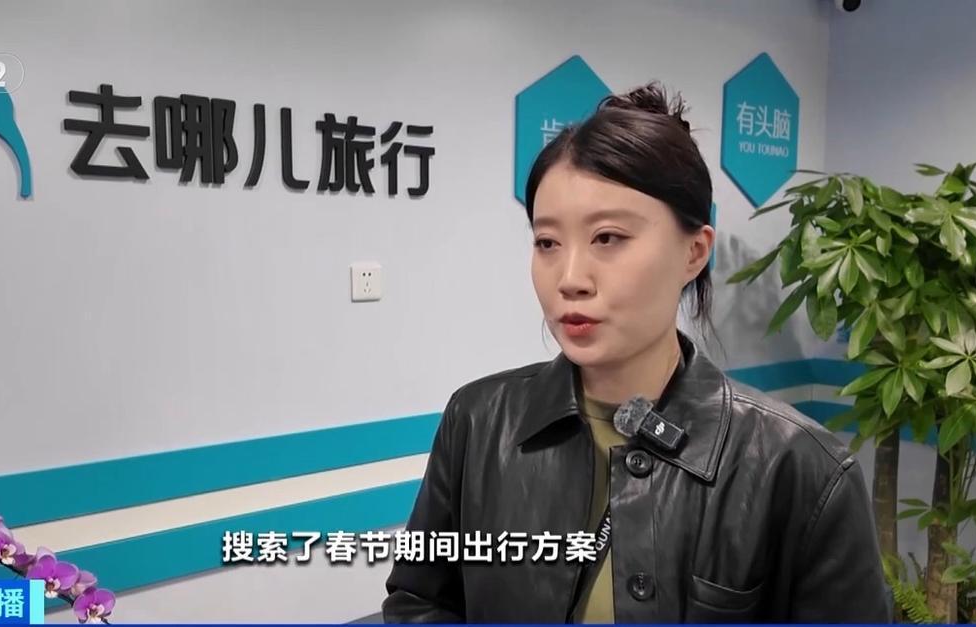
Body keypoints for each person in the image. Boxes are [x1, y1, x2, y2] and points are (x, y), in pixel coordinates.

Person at [381, 82, 891, 623]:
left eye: (608, 238)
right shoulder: (479, 420)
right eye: (547, 242)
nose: (570, 278)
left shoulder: (800, 468)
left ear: (694, 252)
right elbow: (420, 601)